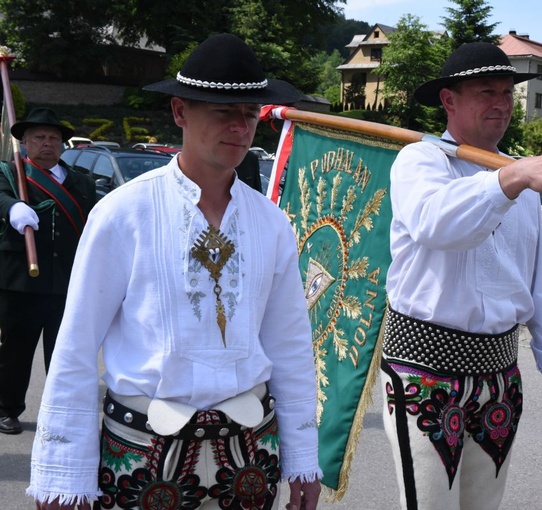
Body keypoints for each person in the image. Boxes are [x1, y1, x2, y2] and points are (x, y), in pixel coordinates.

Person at [27, 34, 322, 510]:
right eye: (223, 112)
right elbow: (77, 345)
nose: (240, 127)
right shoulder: (124, 212)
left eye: (250, 114)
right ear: (181, 112)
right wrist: (63, 473)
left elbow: (289, 344)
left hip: (249, 455)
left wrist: (303, 456)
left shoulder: (270, 222)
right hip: (142, 451)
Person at [379, 42, 542, 510]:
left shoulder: (522, 181)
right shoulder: (422, 161)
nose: (500, 102)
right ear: (449, 101)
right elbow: (437, 224)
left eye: (505, 92)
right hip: (424, 368)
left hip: (498, 373)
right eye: (485, 92)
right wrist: (516, 177)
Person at [0, 107, 97, 435]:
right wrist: (11, 205)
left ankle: (60, 414)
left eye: (54, 138)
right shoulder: (9, 174)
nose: (47, 143)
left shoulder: (81, 182)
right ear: (24, 141)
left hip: (66, 283)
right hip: (20, 282)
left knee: (64, 355)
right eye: (39, 137)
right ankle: (7, 410)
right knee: (15, 352)